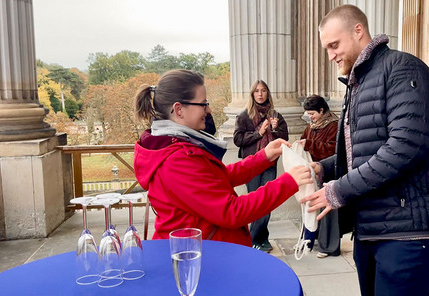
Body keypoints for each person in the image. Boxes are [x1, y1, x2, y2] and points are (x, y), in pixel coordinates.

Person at [300, 5, 429, 296]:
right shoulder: (359, 81)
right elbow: (363, 151)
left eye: (334, 45)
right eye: (326, 48)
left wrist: (339, 190)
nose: (331, 55)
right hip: (374, 225)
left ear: (358, 30)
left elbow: (406, 146)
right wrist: (323, 167)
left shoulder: (403, 68)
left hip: (410, 228)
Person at [133, 69, 312, 246]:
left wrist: (264, 156)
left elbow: (217, 176)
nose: (208, 110)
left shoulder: (179, 145)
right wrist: (288, 182)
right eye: (203, 104)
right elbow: (231, 212)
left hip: (206, 248)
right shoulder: (175, 159)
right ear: (179, 110)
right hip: (199, 256)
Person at [233, 80, 289, 252]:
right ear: (252, 94)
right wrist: (259, 133)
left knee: (266, 202)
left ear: (267, 93)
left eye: (263, 90)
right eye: (256, 91)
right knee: (254, 202)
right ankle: (260, 239)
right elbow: (238, 140)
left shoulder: (276, 115)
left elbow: (284, 138)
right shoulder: (244, 116)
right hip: (251, 164)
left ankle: (255, 239)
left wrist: (276, 129)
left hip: (269, 163)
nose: (260, 94)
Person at [298, 95, 340, 258]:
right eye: (308, 114)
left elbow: (334, 150)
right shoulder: (311, 126)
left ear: (322, 110)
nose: (310, 117)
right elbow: (304, 140)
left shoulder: (334, 125)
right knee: (313, 209)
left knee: (328, 212)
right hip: (314, 173)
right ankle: (312, 239)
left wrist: (309, 144)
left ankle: (328, 246)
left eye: (312, 113)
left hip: (329, 172)